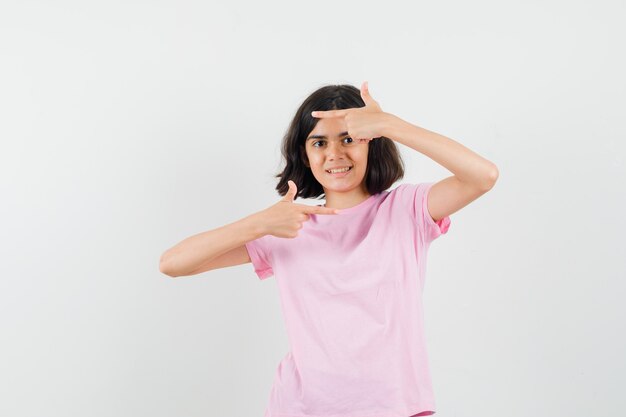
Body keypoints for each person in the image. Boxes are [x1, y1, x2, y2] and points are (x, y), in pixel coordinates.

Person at [159, 81, 499, 417]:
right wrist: (261, 223)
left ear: (372, 145)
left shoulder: (406, 210)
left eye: (348, 139)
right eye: (319, 142)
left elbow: (482, 175)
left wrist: (390, 125)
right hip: (300, 408)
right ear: (305, 156)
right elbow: (173, 263)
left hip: (394, 407)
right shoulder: (288, 225)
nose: (335, 154)